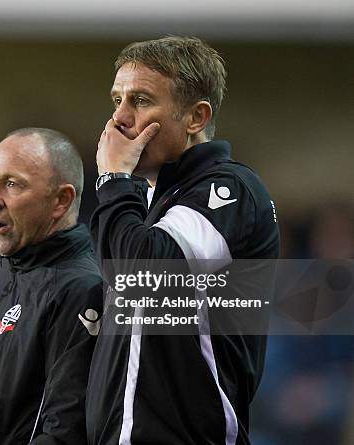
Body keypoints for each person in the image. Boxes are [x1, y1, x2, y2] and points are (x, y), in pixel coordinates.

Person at [88, 36, 280, 444]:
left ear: (195, 117)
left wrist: (114, 179)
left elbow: (145, 278)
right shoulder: (147, 204)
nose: (118, 119)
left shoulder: (230, 188)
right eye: (116, 100)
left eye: (139, 101)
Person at [0, 128, 103, 445]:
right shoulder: (12, 290)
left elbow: (66, 433)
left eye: (12, 184)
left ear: (61, 200)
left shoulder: (80, 290)